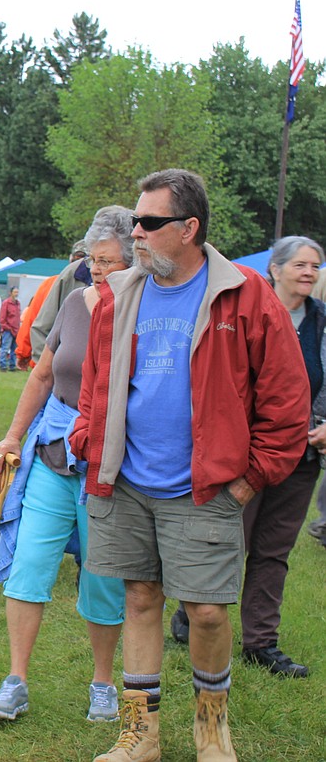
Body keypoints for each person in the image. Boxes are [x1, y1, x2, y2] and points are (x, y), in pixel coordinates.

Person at [71, 169, 309, 762]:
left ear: (189, 228)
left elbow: (286, 401)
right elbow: (96, 383)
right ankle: (139, 735)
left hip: (205, 489)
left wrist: (250, 479)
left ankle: (211, 731)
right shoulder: (120, 293)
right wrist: (87, 436)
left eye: (149, 224)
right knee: (141, 598)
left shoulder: (246, 294)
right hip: (125, 481)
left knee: (205, 612)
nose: (137, 236)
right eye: (134, 223)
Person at [0, 206, 133, 727]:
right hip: (52, 457)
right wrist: (13, 435)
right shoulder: (73, 302)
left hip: (109, 465)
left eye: (110, 262)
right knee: (27, 569)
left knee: (103, 580)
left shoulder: (146, 310)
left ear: (136, 264)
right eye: (93, 260)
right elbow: (44, 376)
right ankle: (16, 682)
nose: (98, 270)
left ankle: (103, 684)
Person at [169, 235, 322, 679]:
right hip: (245, 456)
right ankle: (191, 613)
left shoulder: (322, 321)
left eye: (316, 265)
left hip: (302, 457)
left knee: (273, 551)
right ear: (275, 269)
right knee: (224, 542)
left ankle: (260, 642)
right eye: (301, 264)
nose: (309, 272)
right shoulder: (242, 308)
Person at [29, 240, 91, 362]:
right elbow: (38, 323)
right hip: (58, 365)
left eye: (82, 257)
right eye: (77, 257)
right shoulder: (61, 279)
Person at [0, 286, 21, 372]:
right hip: (8, 330)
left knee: (14, 349)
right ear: (10, 293)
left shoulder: (18, 303)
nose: (16, 294)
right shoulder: (6, 303)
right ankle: (3, 365)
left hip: (16, 329)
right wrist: (8, 328)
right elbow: (2, 318)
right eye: (15, 292)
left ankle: (12, 365)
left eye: (17, 292)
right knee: (5, 348)